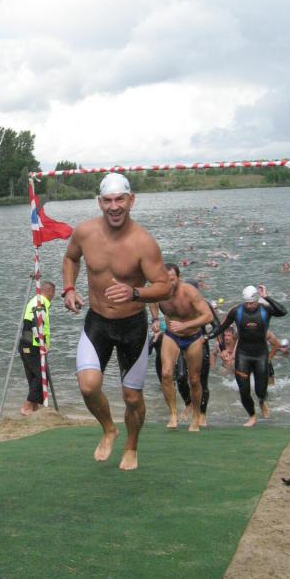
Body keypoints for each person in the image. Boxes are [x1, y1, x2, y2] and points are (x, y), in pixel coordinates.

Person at [62, 173, 171, 470]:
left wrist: (135, 292)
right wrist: (69, 289)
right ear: (99, 202)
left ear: (131, 200)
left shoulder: (143, 242)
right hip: (97, 321)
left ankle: (131, 445)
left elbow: (164, 287)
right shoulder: (85, 232)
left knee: (132, 398)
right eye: (108, 200)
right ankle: (109, 428)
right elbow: (71, 258)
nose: (114, 207)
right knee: (88, 386)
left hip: (132, 325)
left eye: (120, 199)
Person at [208, 284, 287, 426]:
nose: (249, 306)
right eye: (247, 303)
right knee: (244, 390)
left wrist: (266, 297)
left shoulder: (265, 309)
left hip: (260, 355)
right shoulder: (236, 311)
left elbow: (283, 311)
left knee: (260, 391)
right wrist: (216, 343)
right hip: (243, 355)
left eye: (252, 303)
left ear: (257, 300)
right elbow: (220, 327)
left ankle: (262, 401)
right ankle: (252, 416)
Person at [149, 265, 214, 431]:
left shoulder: (189, 292)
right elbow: (152, 302)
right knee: (166, 374)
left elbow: (208, 316)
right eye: (166, 280)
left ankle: (196, 416)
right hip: (172, 336)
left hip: (193, 337)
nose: (169, 283)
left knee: (194, 380)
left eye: (172, 279)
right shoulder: (160, 291)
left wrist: (186, 325)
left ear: (178, 277)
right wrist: (155, 319)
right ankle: (172, 414)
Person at [19, 281, 56, 415]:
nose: (53, 297)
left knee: (33, 376)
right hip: (33, 344)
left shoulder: (34, 301)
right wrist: (42, 343)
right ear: (50, 292)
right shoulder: (40, 303)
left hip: (26, 343)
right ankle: (27, 405)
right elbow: (36, 324)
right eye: (53, 294)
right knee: (41, 375)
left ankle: (34, 407)